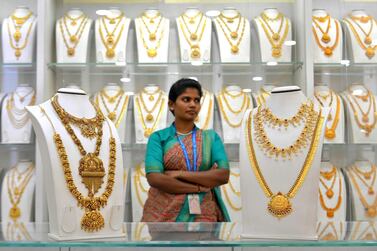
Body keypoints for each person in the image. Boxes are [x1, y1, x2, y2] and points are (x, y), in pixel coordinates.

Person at [141, 78, 230, 222]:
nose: (193, 105)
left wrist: (179, 174)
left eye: (196, 100)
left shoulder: (211, 138)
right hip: (163, 216)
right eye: (186, 99)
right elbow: (155, 178)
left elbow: (223, 175)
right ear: (171, 104)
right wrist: (200, 188)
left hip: (204, 215)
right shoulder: (159, 138)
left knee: (203, 244)